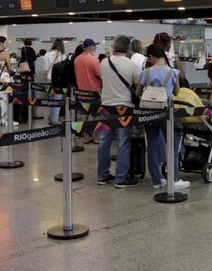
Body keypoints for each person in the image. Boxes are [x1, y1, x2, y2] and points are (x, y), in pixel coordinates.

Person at [137, 43, 189, 190]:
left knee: (152, 147)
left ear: (151, 56)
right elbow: (177, 92)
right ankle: (174, 179)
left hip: (149, 112)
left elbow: (138, 93)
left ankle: (156, 181)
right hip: (166, 111)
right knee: (171, 146)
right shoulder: (172, 72)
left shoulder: (145, 72)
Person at [97, 35, 140, 187]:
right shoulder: (133, 65)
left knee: (104, 140)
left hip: (106, 105)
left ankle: (102, 175)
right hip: (124, 107)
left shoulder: (104, 62)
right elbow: (137, 86)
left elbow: (102, 80)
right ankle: (121, 178)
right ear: (128, 48)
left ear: (114, 47)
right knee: (123, 142)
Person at [74, 38, 101, 144]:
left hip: (81, 93)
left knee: (83, 116)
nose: (95, 47)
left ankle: (86, 136)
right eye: (94, 46)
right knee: (96, 116)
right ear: (91, 47)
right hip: (93, 93)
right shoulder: (94, 60)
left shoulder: (77, 59)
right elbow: (99, 74)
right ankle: (96, 137)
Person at [44, 39, 67, 125]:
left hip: (48, 78)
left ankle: (51, 118)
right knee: (57, 98)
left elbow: (45, 68)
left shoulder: (47, 54)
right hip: (58, 80)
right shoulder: (62, 56)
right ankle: (54, 119)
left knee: (51, 98)